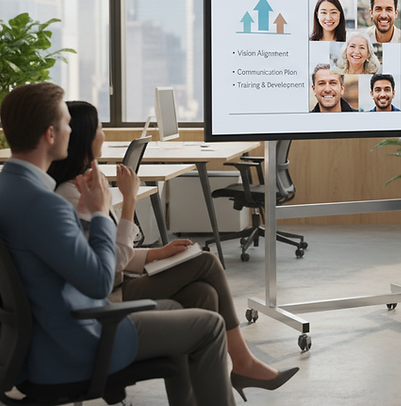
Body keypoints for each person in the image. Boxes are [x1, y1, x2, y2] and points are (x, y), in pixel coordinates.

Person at [0, 82, 234, 405]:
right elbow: (100, 282)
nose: (72, 130)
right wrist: (100, 211)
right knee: (210, 326)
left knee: (190, 304)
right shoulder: (45, 205)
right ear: (50, 134)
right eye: (66, 122)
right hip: (80, 340)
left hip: (45, 338)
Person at [47, 101, 298, 401]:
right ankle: (243, 362)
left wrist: (158, 253)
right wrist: (129, 200)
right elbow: (110, 267)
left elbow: (108, 251)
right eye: (99, 127)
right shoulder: (71, 194)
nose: (103, 133)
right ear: (84, 138)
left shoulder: (84, 184)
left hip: (120, 283)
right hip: (111, 296)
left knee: (204, 295)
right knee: (206, 262)